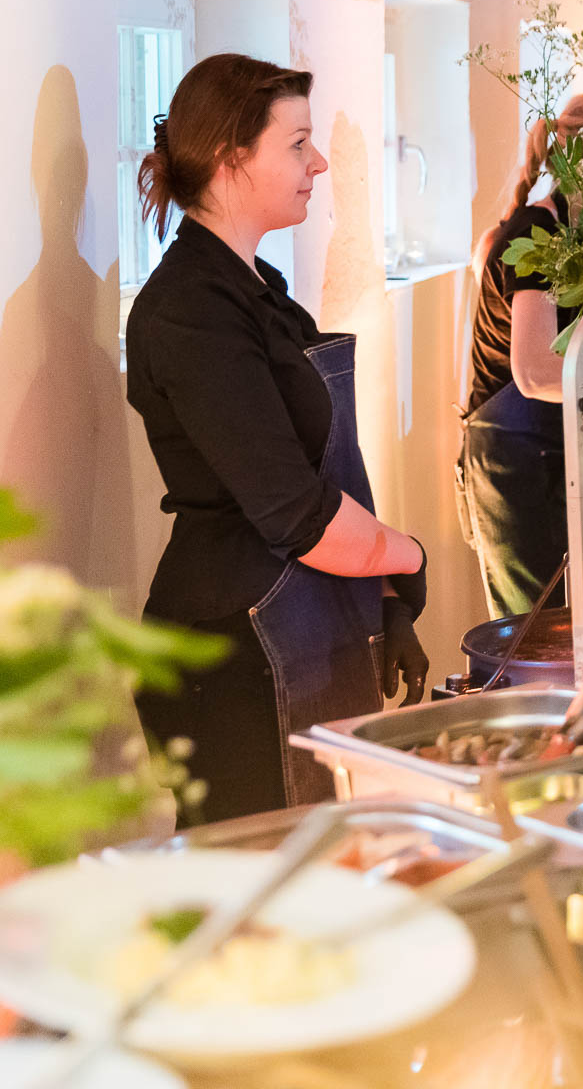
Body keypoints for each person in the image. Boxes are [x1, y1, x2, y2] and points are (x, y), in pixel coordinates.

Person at [127, 53, 430, 821]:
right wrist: (409, 555)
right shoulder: (190, 311)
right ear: (233, 157)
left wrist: (384, 598)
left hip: (306, 617)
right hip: (233, 651)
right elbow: (295, 511)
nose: (319, 162)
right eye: (297, 143)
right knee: (260, 896)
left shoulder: (258, 290)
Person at [460, 92, 583, 619]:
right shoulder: (538, 232)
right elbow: (536, 371)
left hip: (553, 448)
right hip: (515, 458)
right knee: (537, 631)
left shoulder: (582, 234)